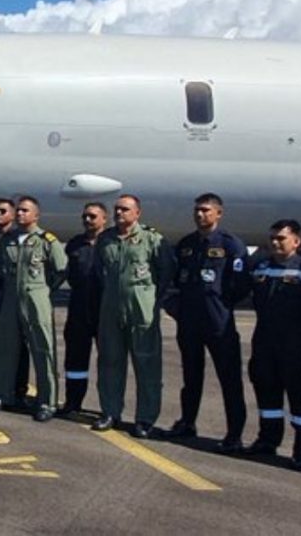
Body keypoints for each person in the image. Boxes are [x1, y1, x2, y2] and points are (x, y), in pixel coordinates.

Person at [165, 193, 249, 454]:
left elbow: (240, 285)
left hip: (218, 323)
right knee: (191, 376)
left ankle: (234, 434)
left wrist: (220, 304)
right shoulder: (187, 244)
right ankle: (187, 422)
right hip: (189, 322)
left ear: (218, 214)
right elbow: (176, 282)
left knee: (229, 379)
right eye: (197, 211)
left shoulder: (231, 245)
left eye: (205, 211)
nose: (200, 215)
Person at [92, 194, 175, 438]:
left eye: (125, 210)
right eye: (117, 209)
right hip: (111, 310)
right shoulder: (105, 239)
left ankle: (145, 419)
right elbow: (99, 272)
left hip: (142, 311)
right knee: (109, 362)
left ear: (137, 213)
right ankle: (110, 412)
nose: (120, 214)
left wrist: (149, 298)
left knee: (147, 365)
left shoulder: (151, 239)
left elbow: (166, 272)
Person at [0, 196, 67, 421]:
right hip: (11, 297)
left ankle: (47, 401)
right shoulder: (7, 240)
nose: (20, 214)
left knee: (43, 350)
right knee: (5, 349)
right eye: (18, 211)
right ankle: (2, 395)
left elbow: (60, 269)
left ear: (36, 215)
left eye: (25, 211)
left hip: (36, 296)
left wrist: (44, 290)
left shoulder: (47, 240)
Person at [245, 220, 301, 471]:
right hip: (265, 343)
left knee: (300, 400)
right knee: (267, 396)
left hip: (295, 346)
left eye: (281, 239)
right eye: (272, 238)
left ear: (296, 241)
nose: (275, 243)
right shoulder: (261, 268)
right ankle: (268, 440)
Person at [59, 202, 108, 415]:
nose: (88, 220)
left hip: (105, 310)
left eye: (93, 216)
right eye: (85, 216)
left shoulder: (111, 243)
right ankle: (73, 402)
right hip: (79, 309)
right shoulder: (75, 244)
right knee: (75, 361)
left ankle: (109, 407)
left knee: (108, 361)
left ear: (104, 219)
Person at [0, 198, 30, 403]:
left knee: (19, 346)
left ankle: (19, 389)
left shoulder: (20, 237)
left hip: (13, 296)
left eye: (3, 211)